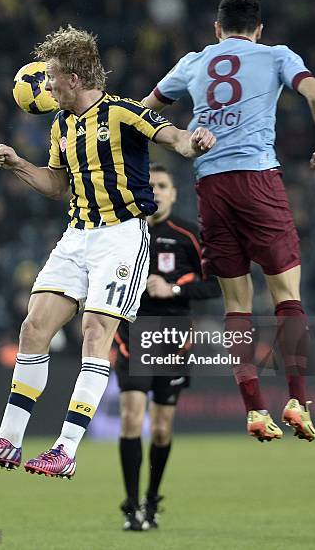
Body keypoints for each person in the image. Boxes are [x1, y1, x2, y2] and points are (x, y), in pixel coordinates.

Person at [0, 25, 215, 478]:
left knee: (94, 331)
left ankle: (65, 448)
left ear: (75, 78)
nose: (46, 86)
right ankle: (8, 440)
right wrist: (20, 165)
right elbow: (58, 185)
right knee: (33, 327)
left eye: (53, 77)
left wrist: (191, 141)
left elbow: (171, 136)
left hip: (121, 236)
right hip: (77, 234)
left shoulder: (123, 112)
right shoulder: (60, 125)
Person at [142, 0, 315, 442]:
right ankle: (296, 399)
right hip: (257, 180)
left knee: (237, 306)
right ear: (259, 30)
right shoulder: (276, 56)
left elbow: (143, 111)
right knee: (287, 295)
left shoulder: (192, 62)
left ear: (217, 29)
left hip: (210, 186)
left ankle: (253, 408)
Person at [115, 163, 220, 530]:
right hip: (131, 328)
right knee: (131, 416)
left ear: (174, 193)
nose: (156, 191)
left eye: (162, 185)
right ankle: (131, 507)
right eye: (150, 185)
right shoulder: (123, 231)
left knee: (161, 428)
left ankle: (151, 500)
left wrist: (172, 288)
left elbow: (215, 286)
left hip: (174, 336)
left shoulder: (189, 235)